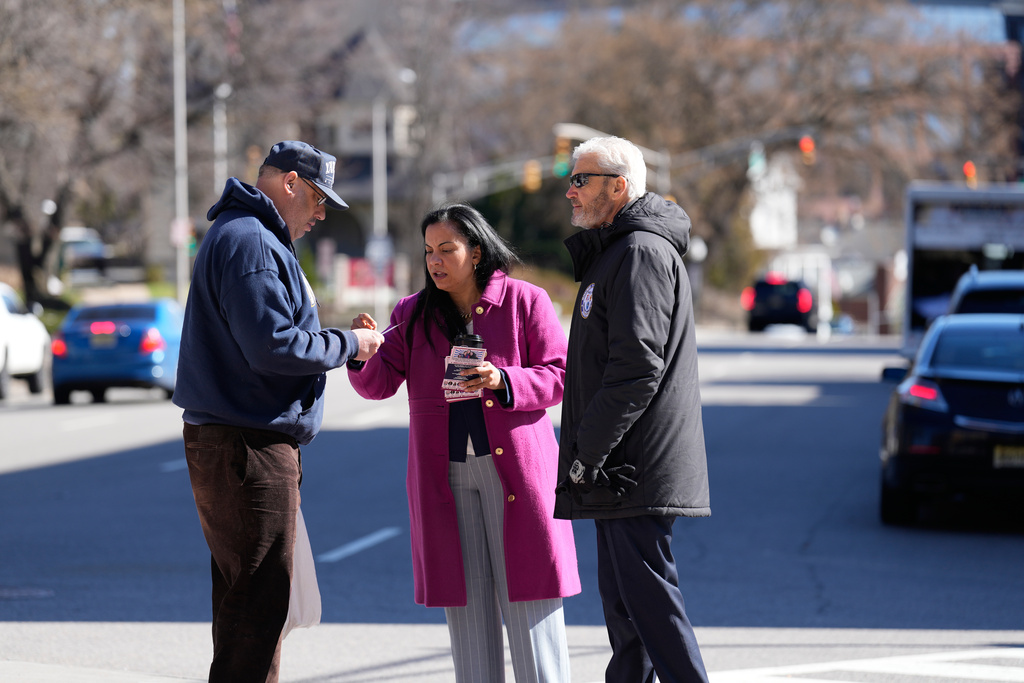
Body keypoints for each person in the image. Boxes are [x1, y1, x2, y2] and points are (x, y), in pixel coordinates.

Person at [173, 140, 384, 683]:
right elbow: (274, 347)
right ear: (288, 182)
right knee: (258, 608)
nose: (320, 214)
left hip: (235, 440)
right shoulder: (253, 242)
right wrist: (349, 344)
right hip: (247, 444)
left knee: (247, 603)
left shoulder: (243, 235)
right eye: (316, 198)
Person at [348, 203, 580, 683]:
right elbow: (377, 384)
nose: (434, 260)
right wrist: (360, 351)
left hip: (516, 471)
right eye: (429, 250)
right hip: (446, 478)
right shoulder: (410, 313)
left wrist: (502, 379)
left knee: (531, 601)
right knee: (468, 614)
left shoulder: (525, 301)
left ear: (475, 252)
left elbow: (560, 376)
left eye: (446, 249)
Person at [554, 136, 712, 683]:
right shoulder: (616, 251)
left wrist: (585, 455)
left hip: (631, 469)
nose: (570, 192)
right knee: (629, 620)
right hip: (616, 470)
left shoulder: (640, 252)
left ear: (617, 186)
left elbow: (635, 369)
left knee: (652, 615)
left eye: (581, 180)